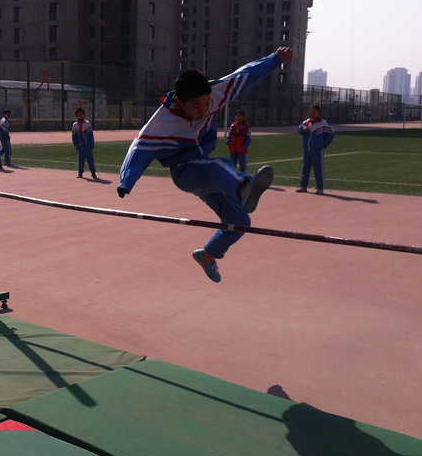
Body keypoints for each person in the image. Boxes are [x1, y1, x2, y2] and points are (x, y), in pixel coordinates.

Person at [117, 46, 294, 283]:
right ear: (179, 101)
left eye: (207, 104)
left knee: (240, 222)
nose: (203, 111)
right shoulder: (160, 123)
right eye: (196, 107)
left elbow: (244, 76)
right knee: (219, 167)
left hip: (203, 166)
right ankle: (244, 187)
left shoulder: (214, 93)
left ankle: (208, 255)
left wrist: (275, 60)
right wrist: (126, 182)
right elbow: (137, 152)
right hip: (185, 171)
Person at [296, 104, 334, 195]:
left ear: (319, 112)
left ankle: (320, 188)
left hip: (317, 149)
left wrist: (323, 144)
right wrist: (303, 128)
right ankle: (303, 186)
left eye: (315, 112)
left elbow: (331, 133)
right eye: (311, 111)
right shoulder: (307, 122)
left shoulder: (323, 123)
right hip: (307, 149)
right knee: (305, 168)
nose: (313, 113)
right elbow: (300, 128)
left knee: (318, 169)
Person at [72, 107, 97, 179]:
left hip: (88, 145)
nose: (80, 115)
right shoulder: (75, 125)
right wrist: (76, 145)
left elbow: (91, 134)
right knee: (81, 160)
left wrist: (92, 144)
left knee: (91, 160)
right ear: (76, 115)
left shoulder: (87, 123)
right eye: (78, 114)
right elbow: (74, 136)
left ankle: (93, 173)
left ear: (84, 115)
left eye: (81, 114)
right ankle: (80, 173)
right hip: (81, 145)